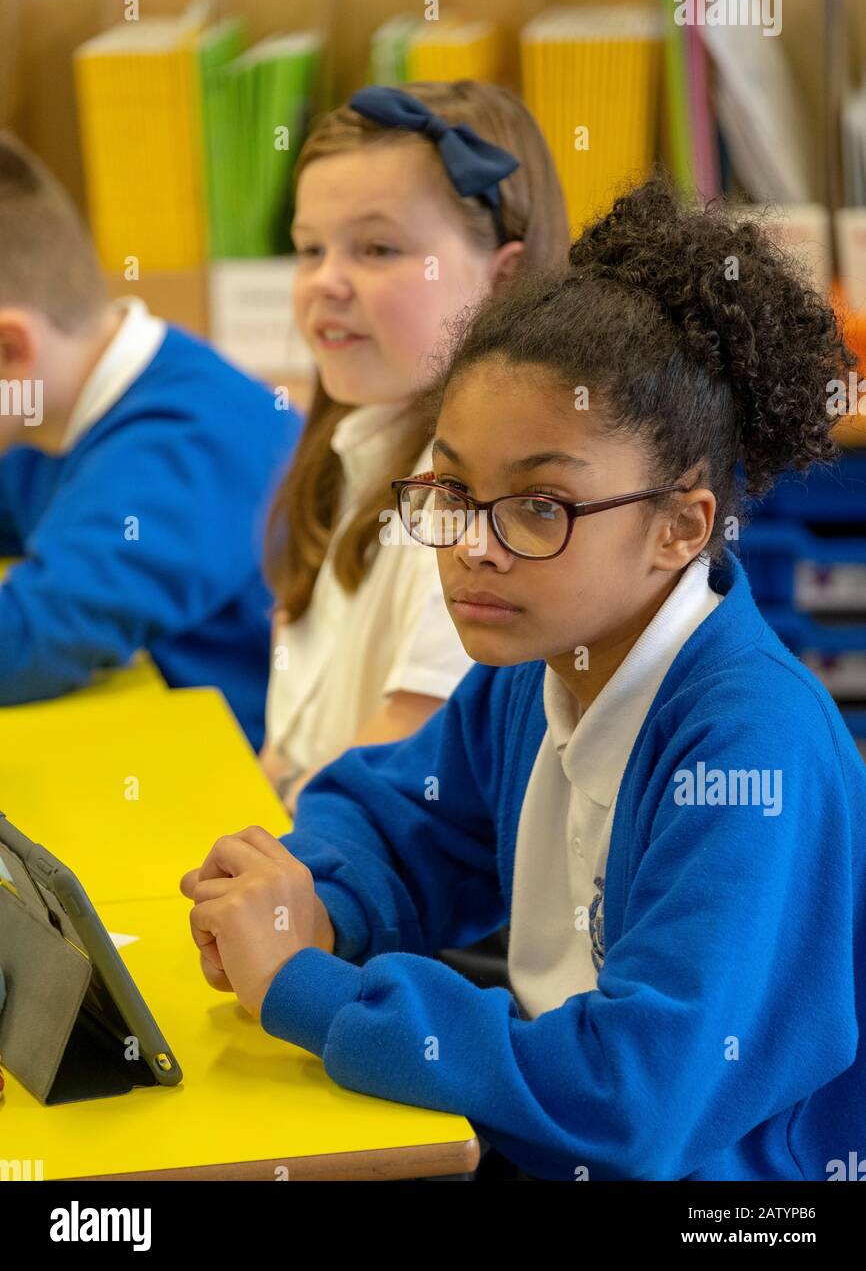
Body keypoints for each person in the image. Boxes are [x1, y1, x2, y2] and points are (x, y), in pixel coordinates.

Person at [182, 175, 866, 1179]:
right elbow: (394, 818)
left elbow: (633, 1097)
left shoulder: (747, 748)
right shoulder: (538, 662)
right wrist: (309, 900)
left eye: (540, 504)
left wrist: (303, 984)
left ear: (679, 526)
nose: (472, 547)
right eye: (454, 489)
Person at [260, 81, 570, 808]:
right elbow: (291, 735)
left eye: (377, 248)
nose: (326, 281)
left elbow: (401, 758)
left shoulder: (469, 510)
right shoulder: (351, 451)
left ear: (505, 279)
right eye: (309, 249)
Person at [0, 134, 300, 747]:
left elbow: (33, 639)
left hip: (247, 792)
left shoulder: (183, 444)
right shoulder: (45, 408)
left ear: (11, 350)